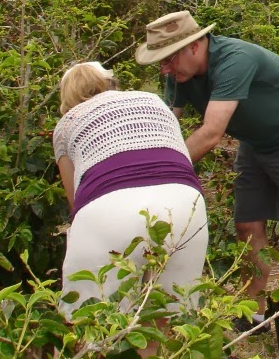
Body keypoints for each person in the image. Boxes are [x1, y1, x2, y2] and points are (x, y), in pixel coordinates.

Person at [134, 11, 279, 359]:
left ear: (195, 45)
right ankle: (253, 314)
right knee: (247, 224)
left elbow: (211, 134)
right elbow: (169, 124)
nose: (165, 70)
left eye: (168, 59)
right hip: (255, 143)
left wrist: (159, 173)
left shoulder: (234, 60)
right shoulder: (179, 74)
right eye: (160, 62)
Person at [53, 62, 208, 348]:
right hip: (184, 202)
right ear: (111, 82)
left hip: (108, 209)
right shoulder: (152, 101)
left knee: (93, 324)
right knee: (173, 317)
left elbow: (75, 200)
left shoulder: (69, 123)